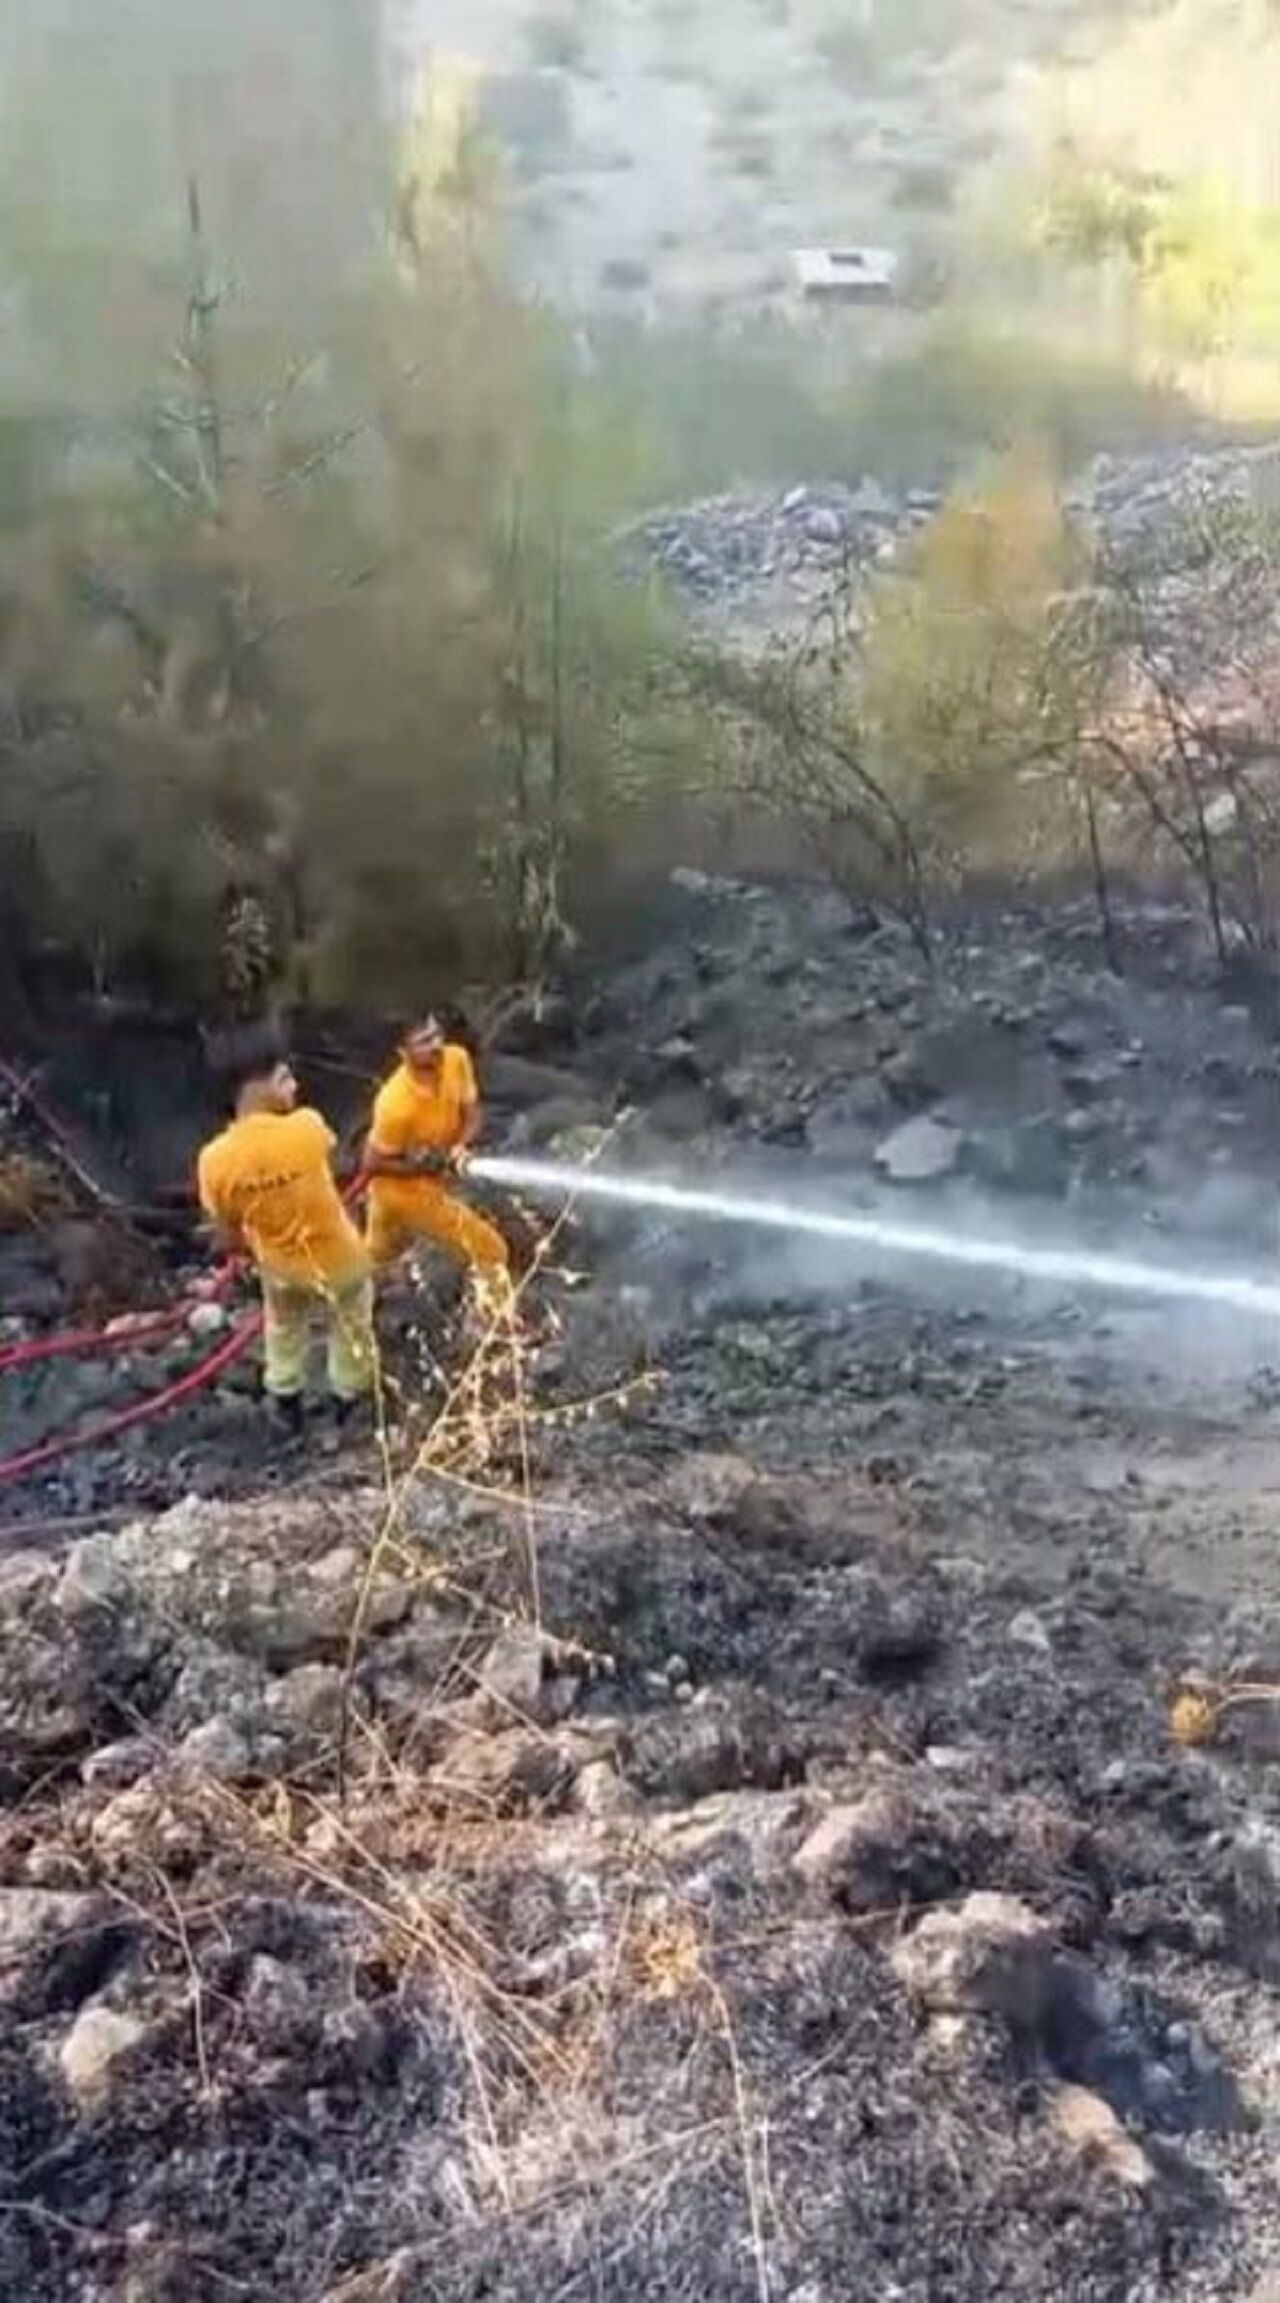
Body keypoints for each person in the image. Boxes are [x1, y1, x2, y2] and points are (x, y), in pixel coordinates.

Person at [197, 1024, 374, 1431]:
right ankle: (348, 1399)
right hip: (341, 1263)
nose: (294, 1086)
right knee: (352, 1325)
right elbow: (329, 1164)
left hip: (281, 1269)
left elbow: (226, 1230)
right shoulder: (308, 1127)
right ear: (256, 1088)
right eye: (284, 1078)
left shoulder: (213, 1161)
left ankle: (284, 1396)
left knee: (283, 1327)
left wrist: (243, 1251)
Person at [363, 1013, 509, 1283]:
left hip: (422, 1182)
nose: (436, 1045)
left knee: (379, 1258)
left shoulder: (456, 1059)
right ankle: (501, 1321)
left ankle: (356, 1293)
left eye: (436, 1035)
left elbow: (473, 1113)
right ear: (402, 1052)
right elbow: (371, 1163)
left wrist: (460, 1147)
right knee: (491, 1250)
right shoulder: (394, 1104)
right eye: (424, 1041)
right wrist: (422, 1164)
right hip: (404, 1191)